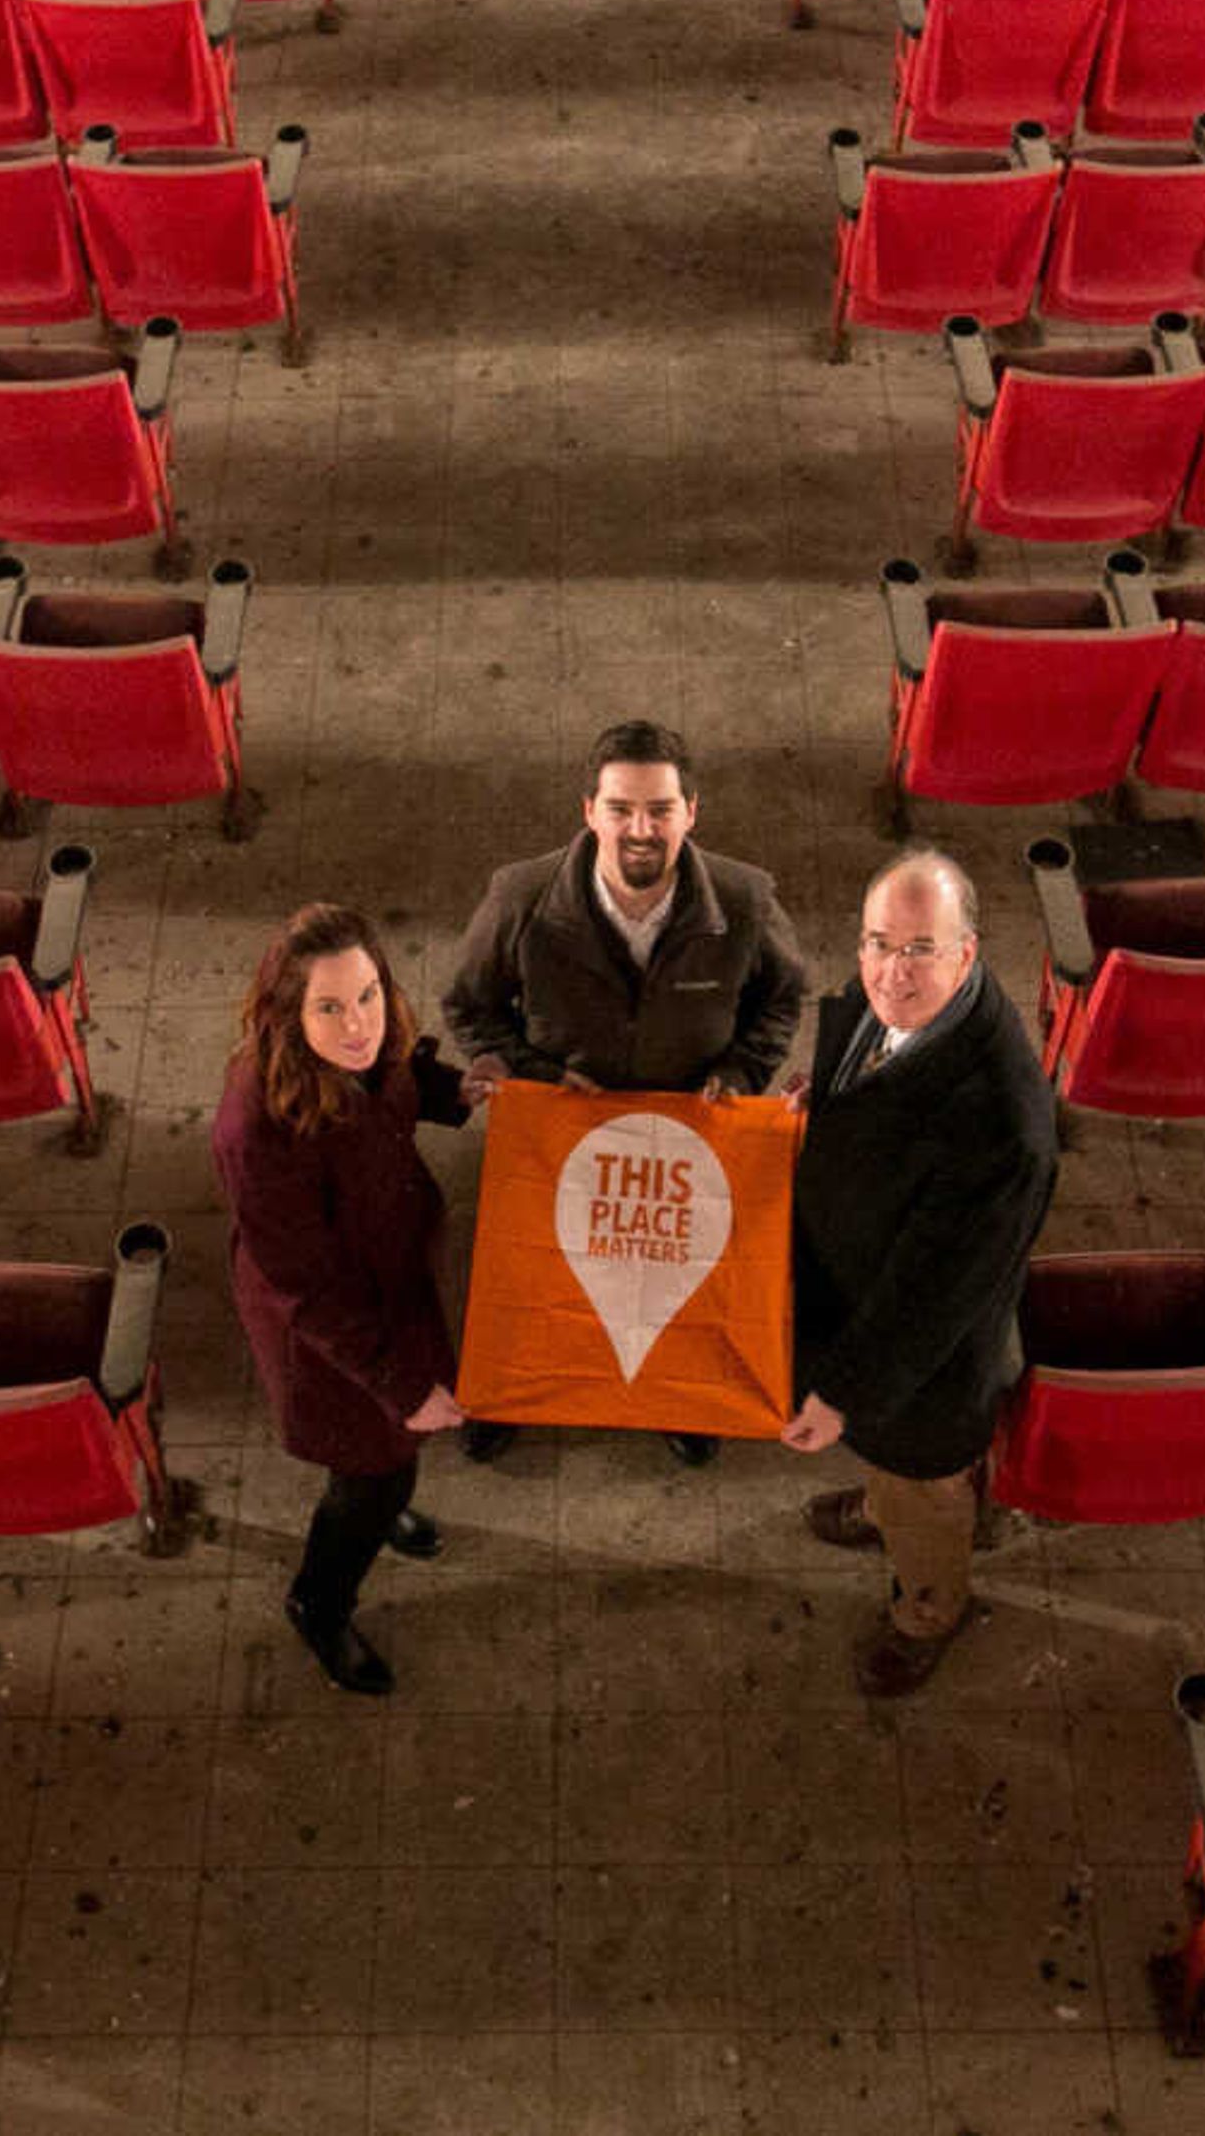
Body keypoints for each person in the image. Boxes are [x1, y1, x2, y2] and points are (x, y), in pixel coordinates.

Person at [442, 718, 810, 1466]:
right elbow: (467, 1006)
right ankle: (513, 1391)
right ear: (589, 812)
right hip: (561, 1128)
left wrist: (741, 1075)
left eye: (660, 809)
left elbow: (784, 997)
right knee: (544, 1269)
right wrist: (535, 1076)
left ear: (691, 813)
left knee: (675, 1270)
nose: (640, 829)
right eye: (620, 809)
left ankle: (679, 1394)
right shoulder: (521, 900)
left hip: (686, 1133)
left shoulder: (745, 903)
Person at [780, 848, 1061, 1699]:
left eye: (919, 950)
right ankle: (882, 1509)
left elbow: (929, 1302)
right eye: (876, 944)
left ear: (968, 953)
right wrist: (819, 1105)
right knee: (895, 1481)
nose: (890, 973)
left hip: (922, 1380)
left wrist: (839, 1396)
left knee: (927, 1497)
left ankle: (928, 1608)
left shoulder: (1000, 1127)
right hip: (867, 1309)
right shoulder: (911, 1006)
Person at [212, 903, 484, 1697]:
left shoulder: (369, 1044)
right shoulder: (254, 1131)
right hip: (330, 1335)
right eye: (328, 1006)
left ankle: (382, 1493)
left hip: (386, 1284)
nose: (358, 1023)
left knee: (384, 1456)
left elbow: (398, 1075)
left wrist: (456, 1090)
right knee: (371, 1474)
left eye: (367, 994)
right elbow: (308, 1290)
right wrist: (403, 1388)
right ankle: (320, 1602)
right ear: (288, 1013)